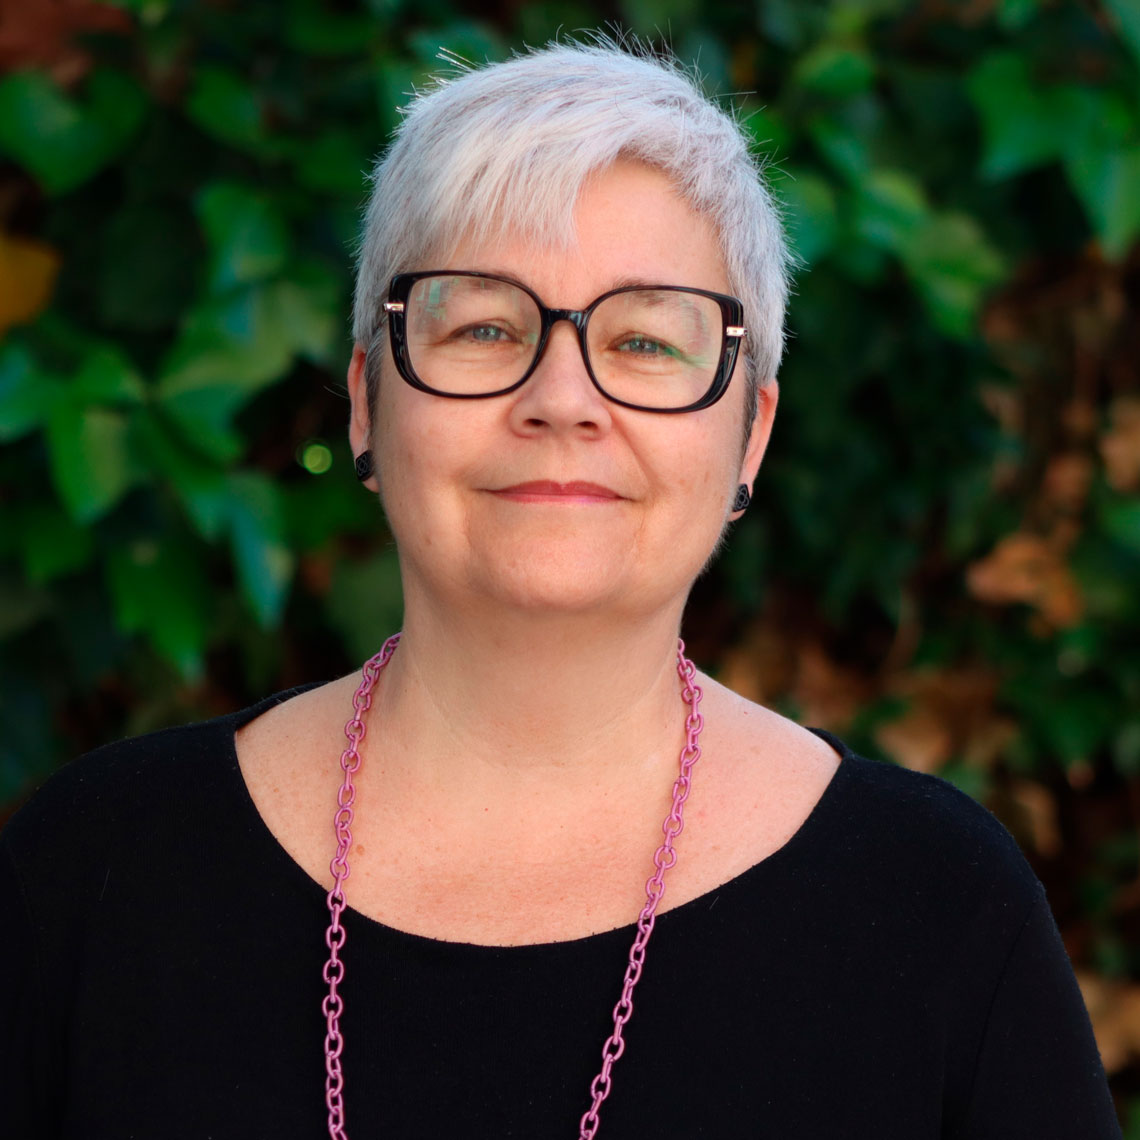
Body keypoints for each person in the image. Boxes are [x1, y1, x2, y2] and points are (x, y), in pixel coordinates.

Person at [0, 36, 1122, 1140]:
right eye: (486, 326)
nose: (563, 400)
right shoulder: (96, 872)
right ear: (367, 402)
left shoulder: (937, 909)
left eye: (645, 342)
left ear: (750, 435)